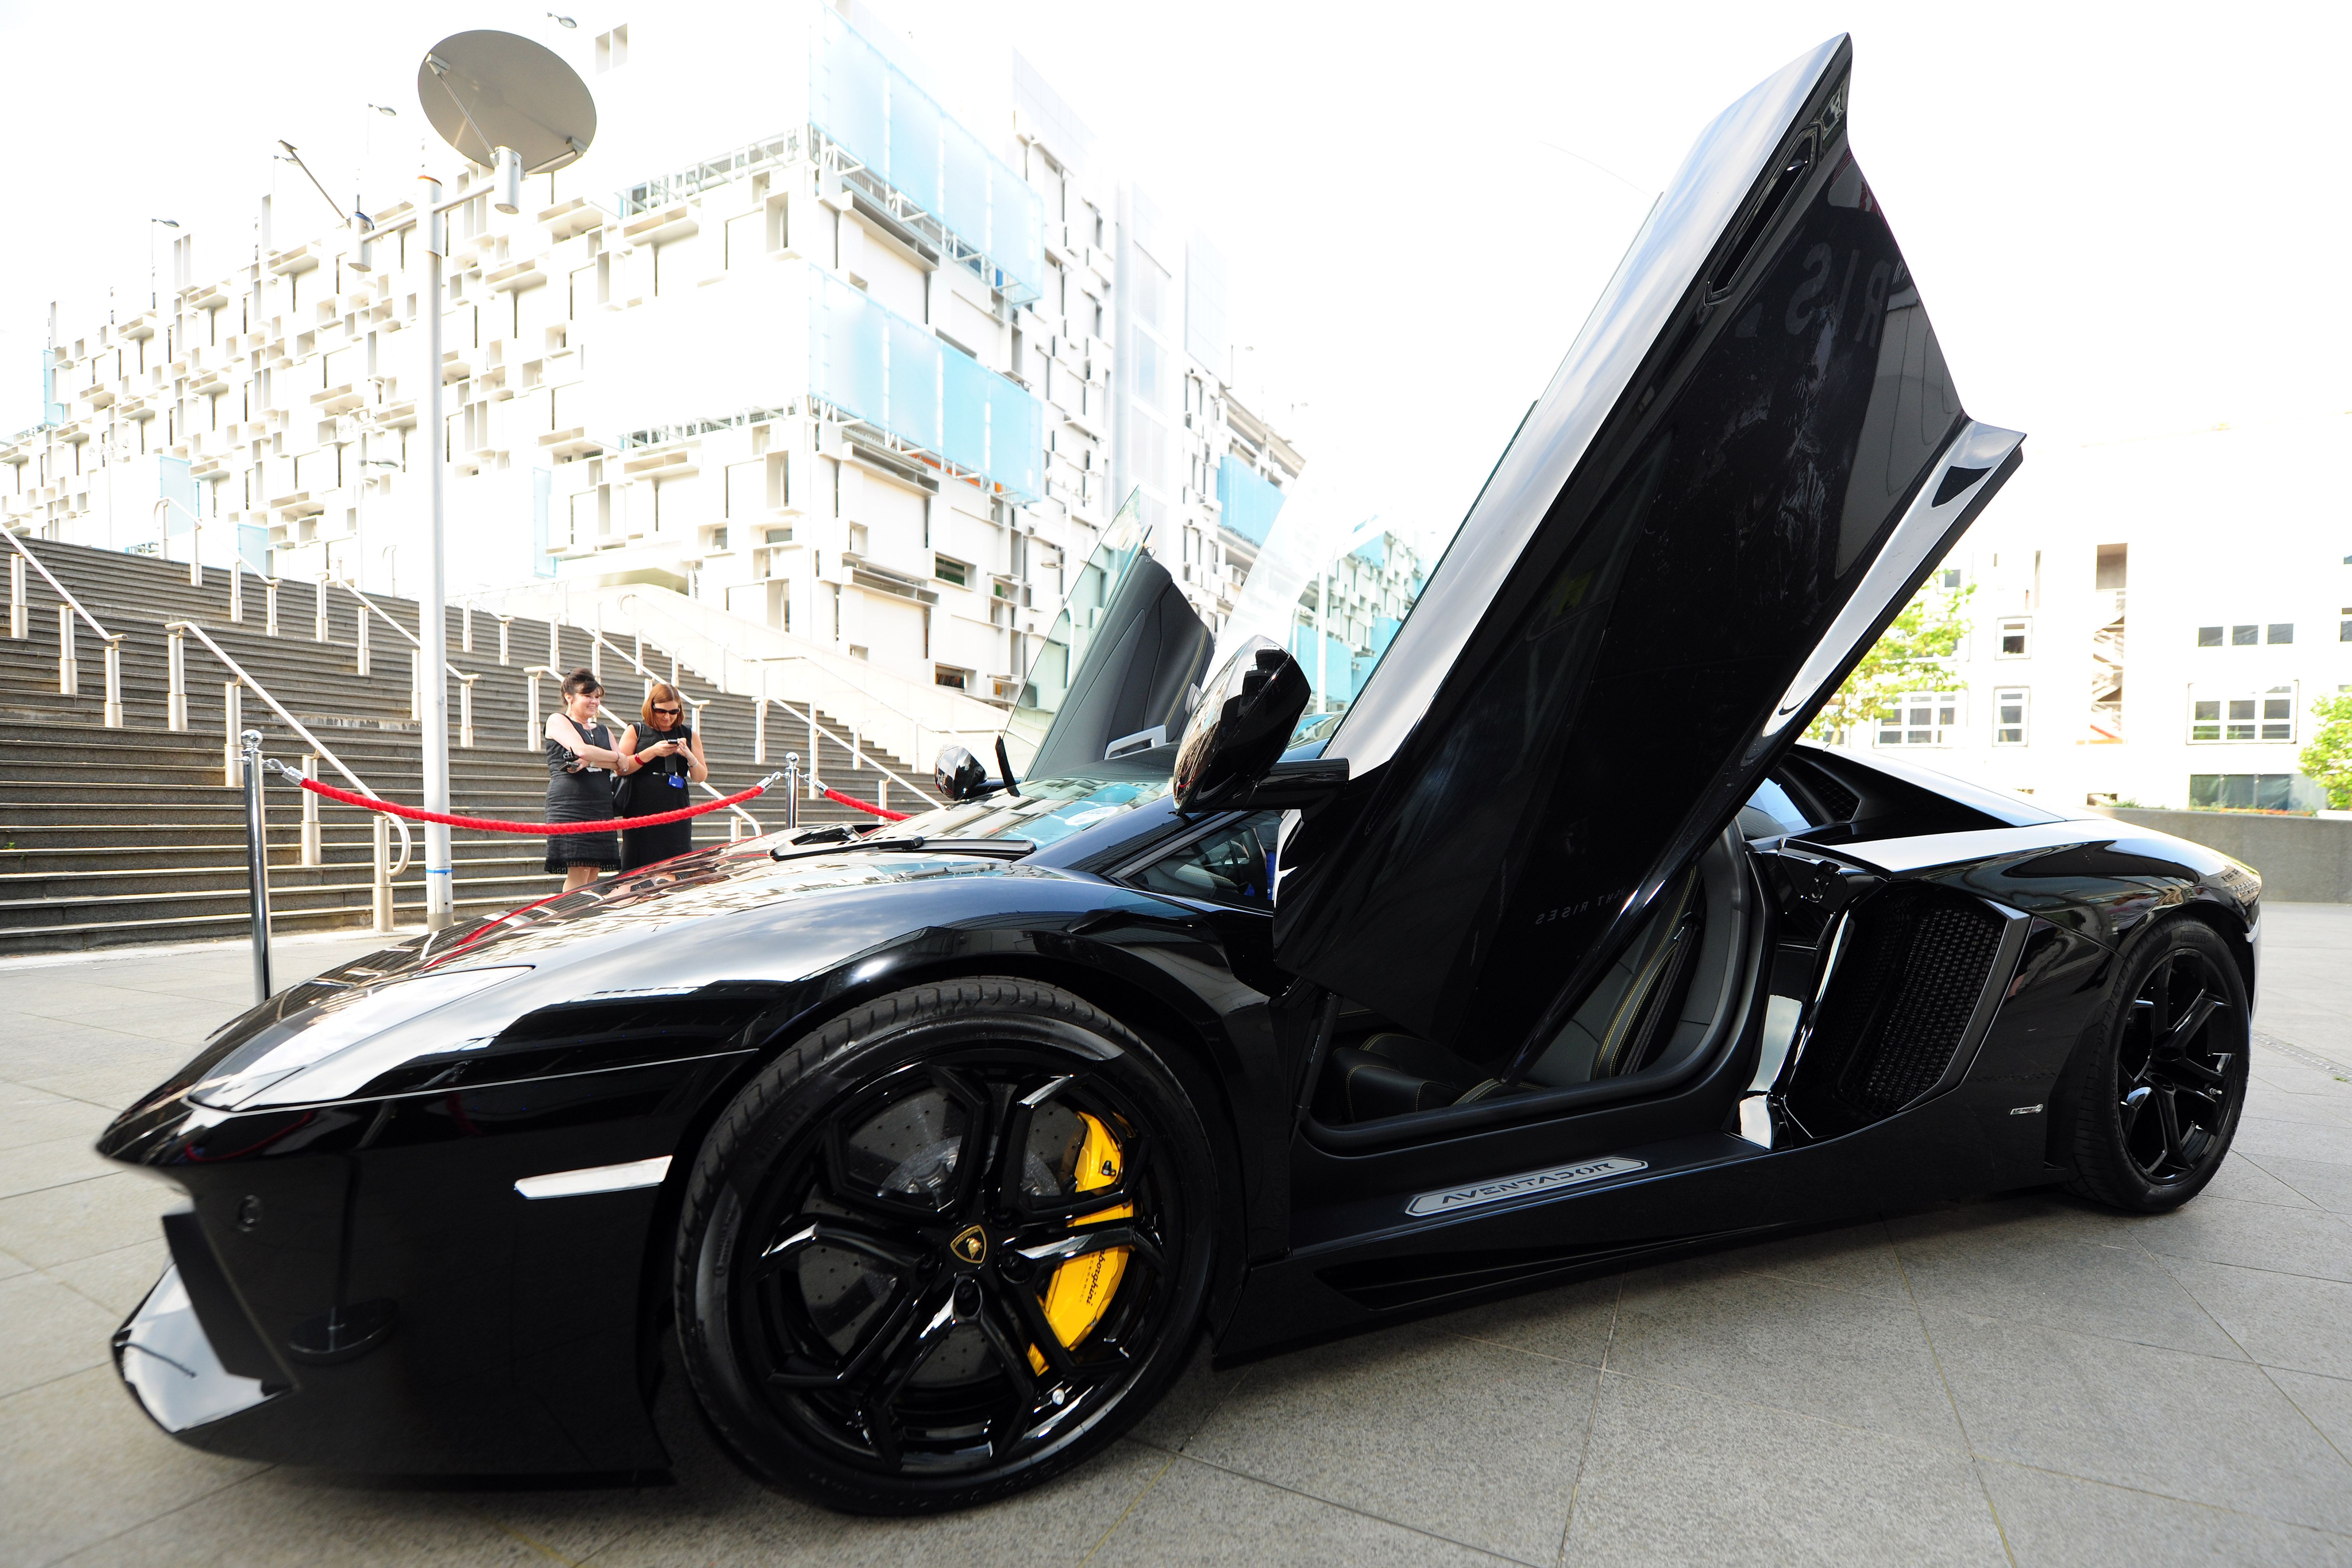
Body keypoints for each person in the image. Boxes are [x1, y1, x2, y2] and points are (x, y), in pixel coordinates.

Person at [616, 681, 709, 872]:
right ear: (651, 708)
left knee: (676, 864)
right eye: (662, 712)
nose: (668, 717)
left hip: (676, 805)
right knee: (638, 864)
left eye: (674, 712)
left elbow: (700, 777)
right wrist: (652, 752)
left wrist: (688, 755)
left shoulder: (689, 734)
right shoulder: (636, 730)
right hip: (642, 806)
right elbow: (621, 768)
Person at [544, 668, 622, 890]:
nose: (594, 702)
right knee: (579, 869)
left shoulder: (604, 730)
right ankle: (571, 918)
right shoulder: (557, 720)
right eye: (588, 696)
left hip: (600, 805)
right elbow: (580, 750)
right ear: (570, 697)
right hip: (571, 804)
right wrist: (611, 757)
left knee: (593, 871)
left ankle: (585, 915)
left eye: (597, 697)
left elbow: (623, 764)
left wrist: (594, 760)